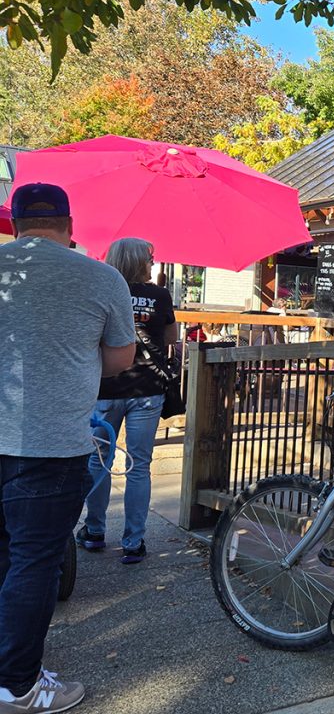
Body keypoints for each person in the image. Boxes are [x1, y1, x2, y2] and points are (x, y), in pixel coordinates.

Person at [0, 183, 136, 713]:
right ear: (69, 224)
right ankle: (17, 686)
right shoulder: (103, 277)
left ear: (13, 224)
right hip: (50, 442)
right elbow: (120, 361)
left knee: (10, 559)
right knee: (34, 563)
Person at [77, 238, 178, 566]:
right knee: (139, 464)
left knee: (98, 461)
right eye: (150, 258)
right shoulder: (159, 295)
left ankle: (94, 532)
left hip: (106, 386)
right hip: (147, 389)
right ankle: (133, 542)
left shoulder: (102, 287)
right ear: (139, 261)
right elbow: (170, 339)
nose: (152, 262)